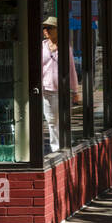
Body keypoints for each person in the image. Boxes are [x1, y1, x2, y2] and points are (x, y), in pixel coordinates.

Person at [41, 15, 78, 153]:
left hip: (62, 90)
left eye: (50, 28)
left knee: (62, 119)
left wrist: (75, 91)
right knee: (51, 120)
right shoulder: (42, 47)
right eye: (45, 28)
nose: (46, 30)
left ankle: (65, 143)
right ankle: (55, 147)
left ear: (57, 30)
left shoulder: (64, 48)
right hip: (46, 89)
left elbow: (71, 69)